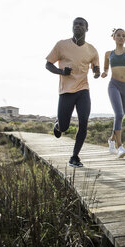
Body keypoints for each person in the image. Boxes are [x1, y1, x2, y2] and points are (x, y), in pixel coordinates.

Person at [45, 17, 100, 167]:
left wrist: (96, 72)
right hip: (66, 91)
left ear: (86, 29)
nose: (77, 26)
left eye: (81, 24)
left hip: (83, 90)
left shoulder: (92, 50)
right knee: (64, 127)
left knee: (84, 122)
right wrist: (61, 72)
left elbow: (95, 68)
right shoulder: (61, 45)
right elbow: (48, 64)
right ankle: (58, 125)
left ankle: (74, 157)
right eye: (75, 24)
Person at [101, 28, 125, 158]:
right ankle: (120, 146)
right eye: (119, 35)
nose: (121, 37)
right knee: (119, 113)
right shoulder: (108, 54)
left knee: (120, 116)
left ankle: (111, 139)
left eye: (124, 36)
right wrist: (105, 72)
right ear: (114, 37)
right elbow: (105, 67)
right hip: (114, 85)